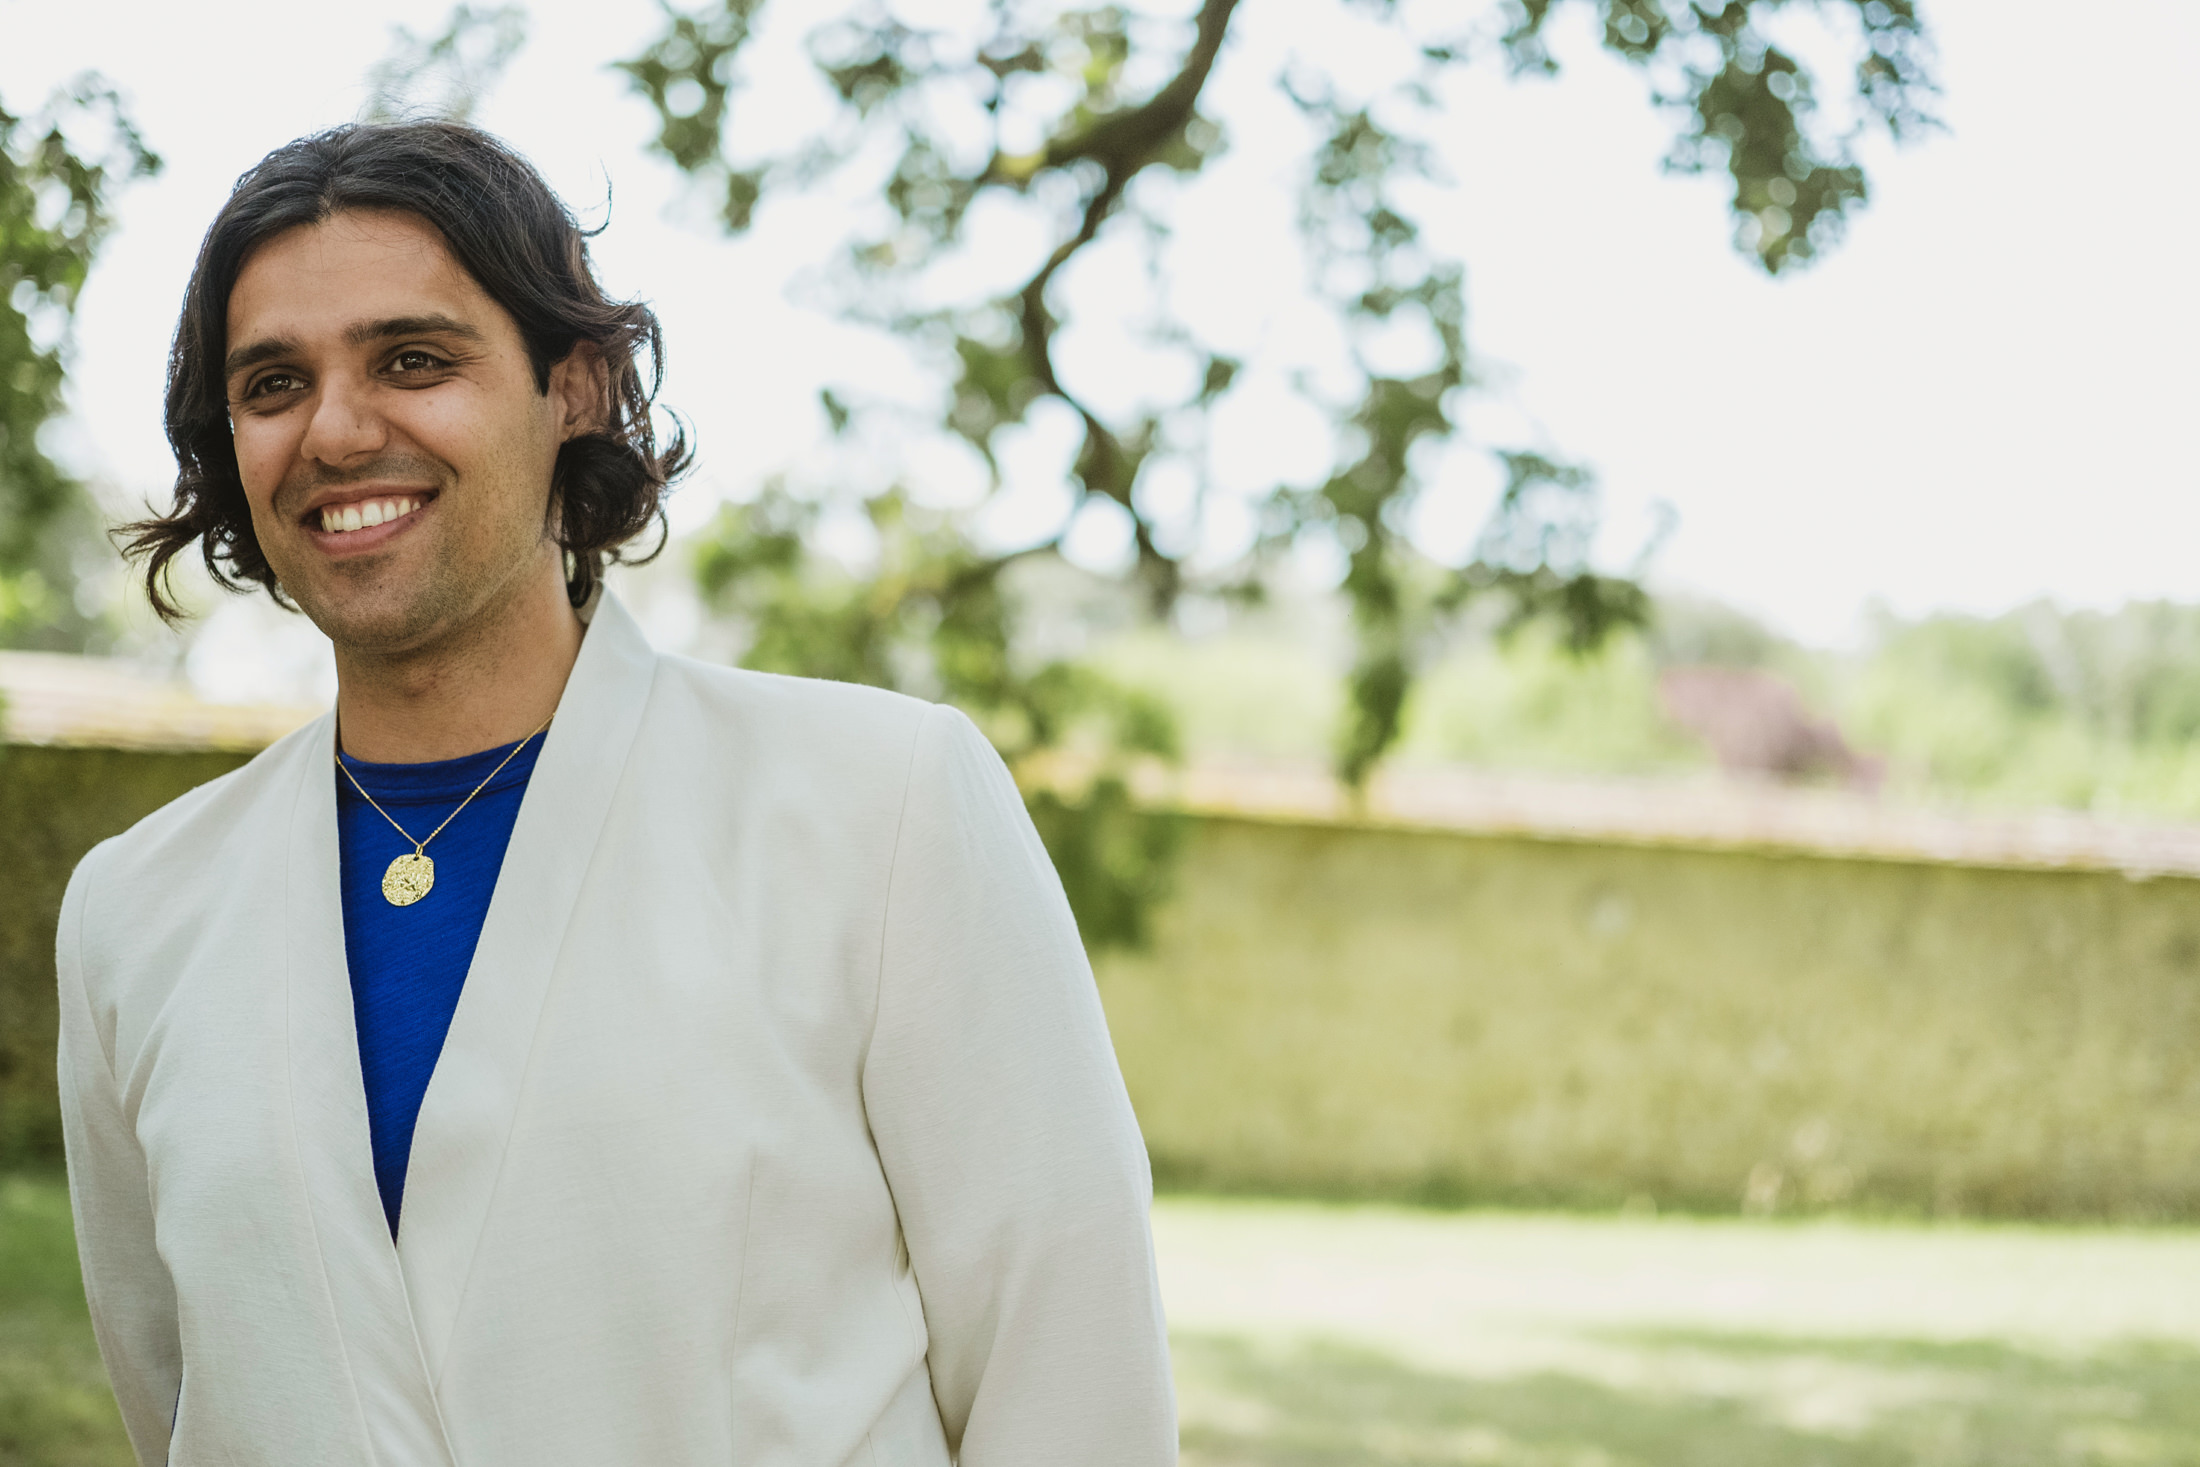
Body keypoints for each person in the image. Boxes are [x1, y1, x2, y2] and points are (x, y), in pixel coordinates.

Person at [58, 121, 1175, 1467]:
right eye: (274, 382)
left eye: (414, 360)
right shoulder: (135, 912)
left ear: (574, 387)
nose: (338, 431)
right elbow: (176, 1398)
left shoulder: (880, 811)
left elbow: (1073, 1381)